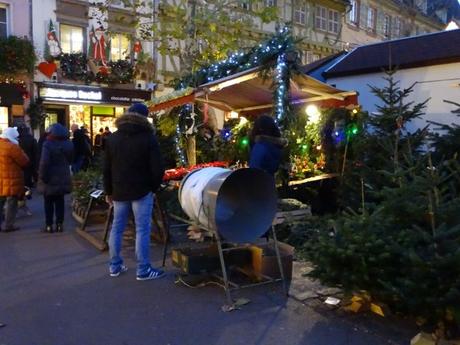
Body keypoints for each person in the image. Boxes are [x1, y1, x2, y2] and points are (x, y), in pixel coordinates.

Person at [103, 103, 165, 280]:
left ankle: (114, 266)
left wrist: (109, 191)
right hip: (142, 190)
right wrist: (153, 187)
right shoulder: (148, 137)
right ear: (145, 117)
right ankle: (143, 269)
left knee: (117, 228)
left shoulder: (113, 138)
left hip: (118, 190)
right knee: (142, 229)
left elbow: (106, 168)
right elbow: (157, 168)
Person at [38, 123, 73, 233]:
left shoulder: (48, 144)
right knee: (60, 201)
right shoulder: (69, 144)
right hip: (62, 176)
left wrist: (42, 176)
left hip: (50, 176)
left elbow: (44, 162)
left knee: (48, 202)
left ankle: (49, 225)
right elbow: (71, 159)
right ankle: (59, 224)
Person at [0, 127, 29, 232]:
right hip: (11, 179)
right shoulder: (12, 147)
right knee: (11, 203)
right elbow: (24, 161)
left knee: (1, 202)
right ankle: (9, 225)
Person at [18, 125, 38, 216]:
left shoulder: (16, 140)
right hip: (29, 165)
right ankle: (24, 200)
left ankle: (20, 202)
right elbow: (36, 154)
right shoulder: (31, 139)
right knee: (26, 184)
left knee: (19, 185)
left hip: (18, 166)